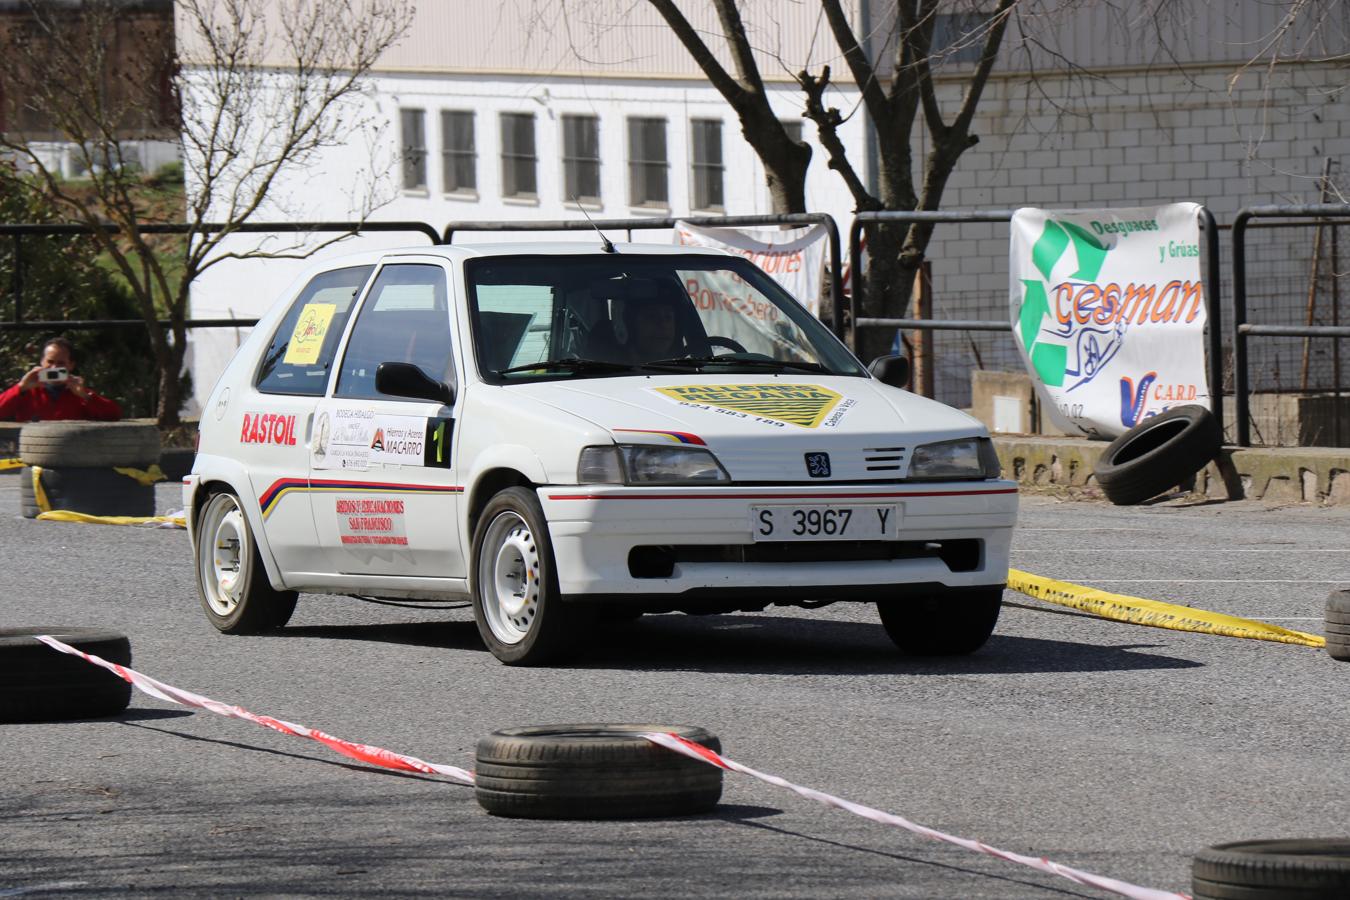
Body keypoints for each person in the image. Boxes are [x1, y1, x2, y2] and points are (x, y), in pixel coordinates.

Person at [0, 337, 122, 421]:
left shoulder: (78, 393)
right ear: (41, 362)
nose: (54, 368)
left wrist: (86, 396)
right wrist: (20, 388)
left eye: (61, 363)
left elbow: (114, 415)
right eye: (50, 362)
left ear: (71, 365)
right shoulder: (27, 392)